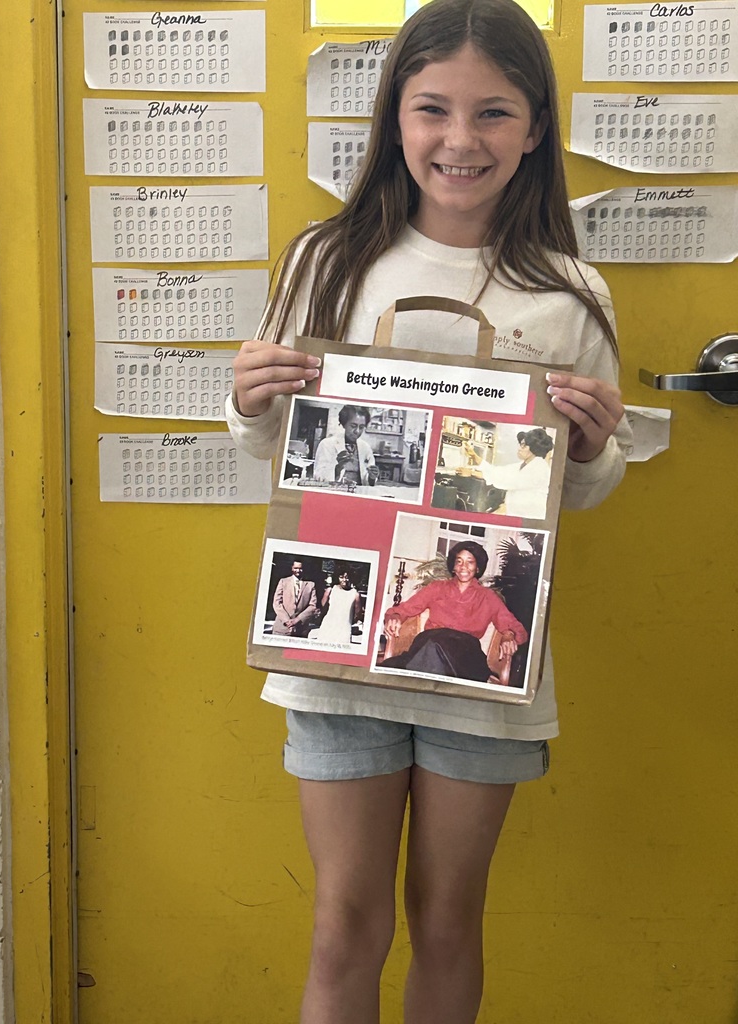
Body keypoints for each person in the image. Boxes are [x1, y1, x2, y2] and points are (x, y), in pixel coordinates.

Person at [228, 1, 630, 1020]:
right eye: (433, 110)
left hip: (484, 684)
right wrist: (248, 400)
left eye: (494, 113)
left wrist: (589, 445)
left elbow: (580, 489)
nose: (461, 140)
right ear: (393, 120)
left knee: (450, 917)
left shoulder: (570, 294)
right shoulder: (327, 262)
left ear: (536, 127)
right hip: (339, 657)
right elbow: (277, 451)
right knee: (343, 921)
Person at [380, 541, 527, 681]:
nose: (463, 566)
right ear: (453, 567)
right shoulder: (437, 587)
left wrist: (508, 635)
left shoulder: (488, 597)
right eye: (459, 561)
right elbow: (404, 609)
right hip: (429, 641)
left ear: (478, 568)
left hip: (465, 653)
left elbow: (516, 628)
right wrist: (396, 617)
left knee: (428, 652)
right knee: (432, 647)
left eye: (470, 562)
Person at [462, 426, 554, 518]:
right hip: (515, 512)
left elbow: (509, 480)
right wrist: (475, 456)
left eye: (524, 445)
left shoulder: (539, 467)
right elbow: (499, 471)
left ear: (534, 448)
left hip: (529, 516)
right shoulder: (523, 465)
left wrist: (472, 473)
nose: (519, 448)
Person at [313, 405, 380, 486]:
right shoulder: (327, 444)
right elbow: (318, 476)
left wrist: (372, 477)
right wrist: (337, 468)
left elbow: (367, 481)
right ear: (344, 424)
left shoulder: (365, 447)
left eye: (361, 427)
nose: (357, 431)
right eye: (353, 426)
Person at [308, 565, 363, 645]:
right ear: (337, 577)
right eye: (341, 577)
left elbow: (357, 614)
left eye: (347, 577)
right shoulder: (330, 590)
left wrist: (348, 620)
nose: (344, 580)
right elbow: (323, 607)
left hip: (344, 630)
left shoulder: (355, 594)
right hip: (328, 627)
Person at [271, 559, 319, 637]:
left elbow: (312, 606)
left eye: (300, 568)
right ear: (292, 568)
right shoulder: (283, 582)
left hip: (300, 629)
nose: (298, 570)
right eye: (296, 568)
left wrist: (297, 620)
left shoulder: (310, 584)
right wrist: (287, 621)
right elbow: (277, 603)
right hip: (282, 628)